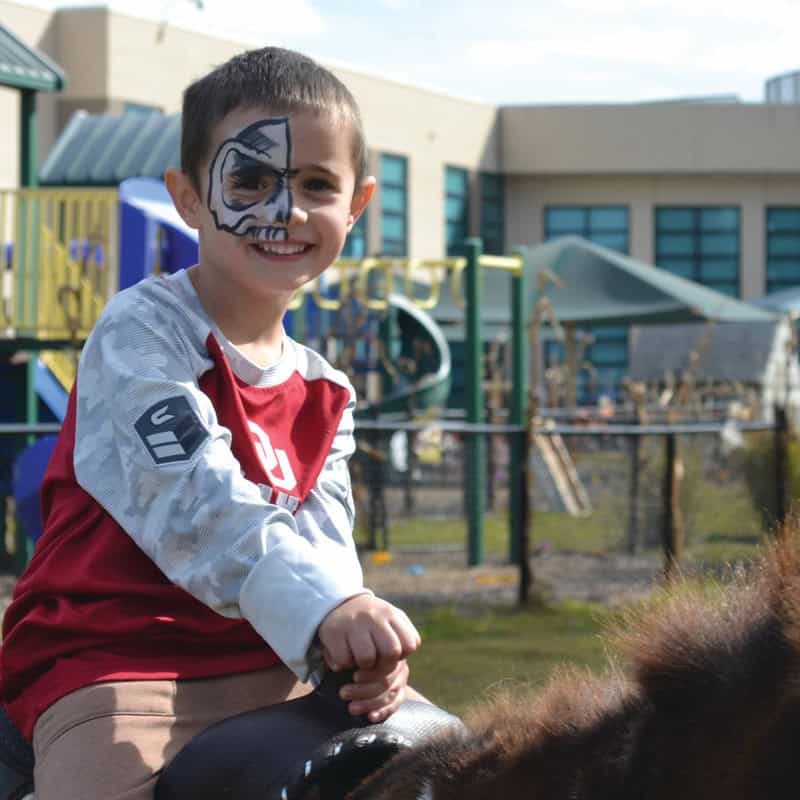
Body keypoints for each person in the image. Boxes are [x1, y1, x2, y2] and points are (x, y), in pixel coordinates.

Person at [0, 46, 422, 800]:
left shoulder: (325, 391)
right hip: (114, 663)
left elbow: (322, 541)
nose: (285, 210)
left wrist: (354, 646)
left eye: (316, 186)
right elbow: (196, 497)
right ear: (189, 197)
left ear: (355, 208)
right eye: (251, 179)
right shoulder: (141, 335)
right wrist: (326, 608)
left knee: (453, 765)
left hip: (272, 663)